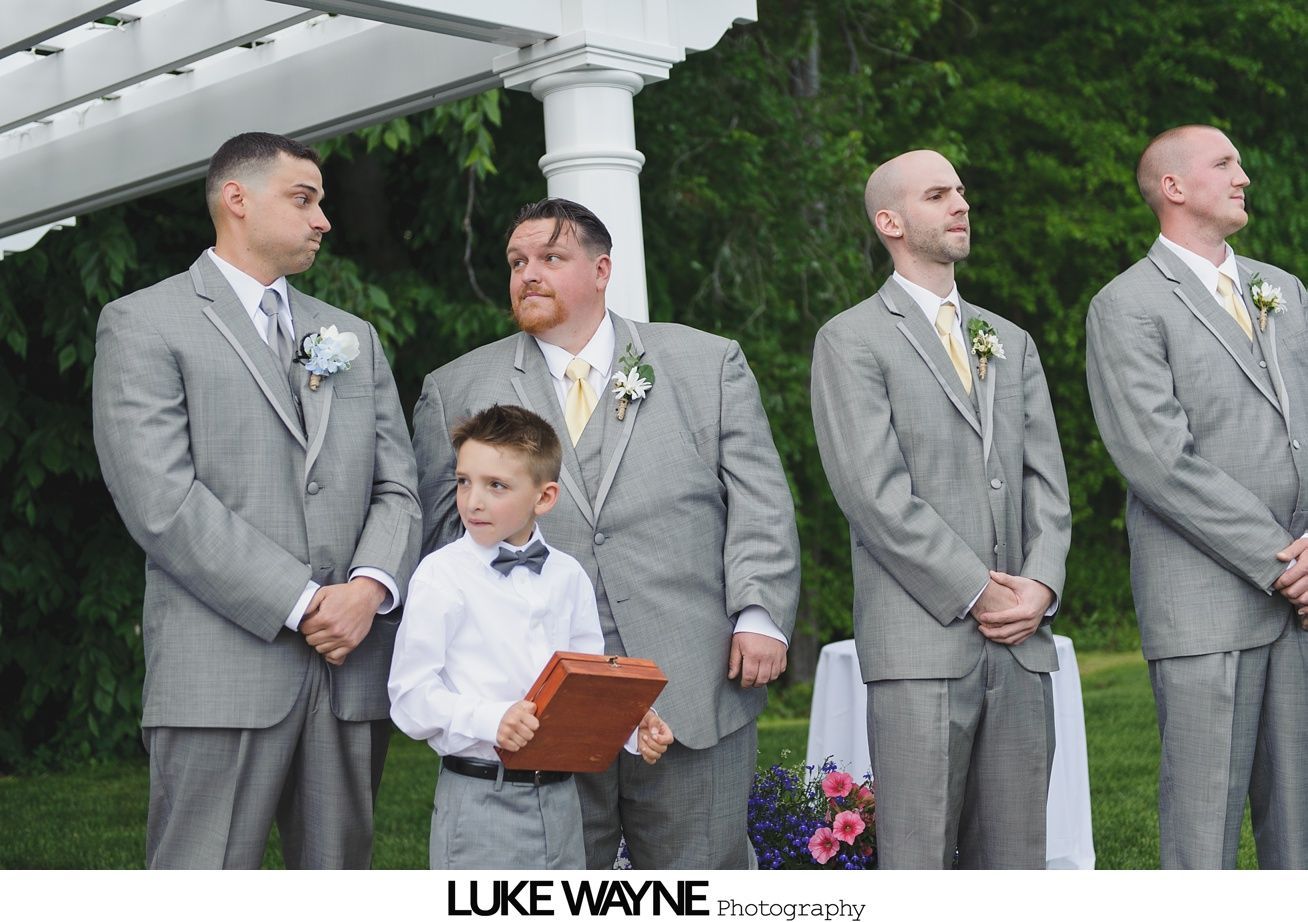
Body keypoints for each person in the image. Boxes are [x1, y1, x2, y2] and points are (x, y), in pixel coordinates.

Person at [411, 198, 800, 869]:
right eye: (516, 262)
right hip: (537, 696)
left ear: (601, 269)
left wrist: (760, 612)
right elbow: (444, 542)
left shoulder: (705, 363)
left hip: (692, 681)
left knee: (700, 885)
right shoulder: (457, 389)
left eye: (549, 258)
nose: (527, 273)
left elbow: (760, 501)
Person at [91, 132, 421, 869]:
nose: (323, 220)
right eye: (303, 199)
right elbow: (161, 501)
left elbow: (398, 486)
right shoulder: (144, 322)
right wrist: (305, 603)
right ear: (236, 199)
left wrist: (369, 589)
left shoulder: (351, 336)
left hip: (348, 670)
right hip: (220, 670)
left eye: (324, 203)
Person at [810, 150, 1071, 869]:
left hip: (1022, 644)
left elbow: (1047, 481)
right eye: (937, 194)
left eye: (960, 189)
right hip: (921, 646)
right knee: (918, 860)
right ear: (889, 221)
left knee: (1017, 861)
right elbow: (873, 492)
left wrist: (1041, 585)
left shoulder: (1009, 341)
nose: (960, 203)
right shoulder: (851, 338)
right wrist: (980, 588)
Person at [1086, 125, 1308, 869]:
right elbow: (1158, 459)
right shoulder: (1127, 305)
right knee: (1203, 833)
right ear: (1174, 187)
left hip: (1303, 609)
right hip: (1206, 607)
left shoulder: (1286, 291)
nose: (1244, 174)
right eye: (1225, 163)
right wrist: (1283, 563)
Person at [388, 404, 673, 869]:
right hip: (479, 799)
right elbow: (409, 697)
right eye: (464, 481)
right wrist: (489, 719)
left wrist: (631, 724)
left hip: (561, 803)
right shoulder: (441, 576)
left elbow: (589, 684)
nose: (473, 500)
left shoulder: (569, 575)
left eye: (495, 485)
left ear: (544, 498)